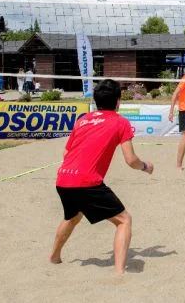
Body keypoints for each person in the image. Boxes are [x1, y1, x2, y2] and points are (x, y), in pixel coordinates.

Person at [49, 79, 154, 274]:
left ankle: (54, 257)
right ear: (118, 101)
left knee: (72, 217)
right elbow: (130, 160)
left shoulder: (83, 120)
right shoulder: (120, 122)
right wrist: (145, 166)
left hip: (63, 178)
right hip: (86, 182)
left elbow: (66, 154)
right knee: (124, 220)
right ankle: (120, 272)